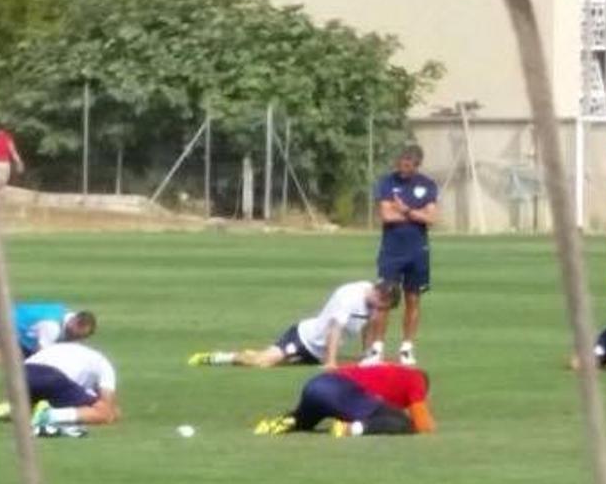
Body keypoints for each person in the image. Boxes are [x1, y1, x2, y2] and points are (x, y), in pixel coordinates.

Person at [188, 280, 400, 370]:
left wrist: (368, 354)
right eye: (382, 306)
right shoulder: (350, 297)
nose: (380, 311)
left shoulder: (373, 302)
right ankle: (220, 357)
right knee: (262, 363)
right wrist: (331, 362)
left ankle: (256, 353)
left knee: (276, 361)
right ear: (378, 293)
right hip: (303, 339)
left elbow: (367, 326)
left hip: (316, 353)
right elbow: (334, 332)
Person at [363, 145, 438, 366]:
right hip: (392, 251)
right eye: (401, 164)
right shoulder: (387, 182)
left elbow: (432, 219)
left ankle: (406, 348)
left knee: (413, 299)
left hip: (417, 251)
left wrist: (405, 210)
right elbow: (386, 215)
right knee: (384, 298)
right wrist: (418, 214)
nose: (402, 169)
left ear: (416, 165)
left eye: (408, 165)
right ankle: (376, 349)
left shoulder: (428, 185)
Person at [254, 363, 436, 437]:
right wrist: (426, 424)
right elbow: (422, 423)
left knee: (304, 421)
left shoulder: (388, 370)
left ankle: (286, 421)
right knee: (405, 423)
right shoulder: (416, 379)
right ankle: (350, 428)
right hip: (339, 391)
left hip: (316, 384)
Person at [0, 342, 120, 427]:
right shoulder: (104, 364)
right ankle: (49, 417)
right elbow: (107, 403)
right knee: (105, 413)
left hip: (19, 374)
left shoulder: (66, 348)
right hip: (51, 376)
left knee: (45, 400)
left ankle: (9, 408)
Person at [0, 302, 97, 364]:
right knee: (12, 360)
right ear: (74, 322)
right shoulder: (52, 326)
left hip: (11, 322)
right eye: (78, 335)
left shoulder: (66, 314)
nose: (77, 339)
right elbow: (43, 355)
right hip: (1, 323)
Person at [0, 124, 24, 200]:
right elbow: (13, 152)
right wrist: (19, 162)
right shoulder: (7, 137)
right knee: (1, 187)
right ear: (2, 129)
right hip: (4, 165)